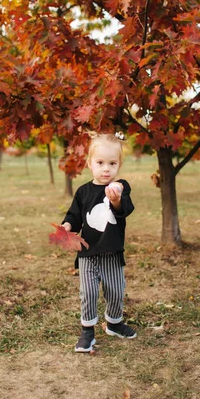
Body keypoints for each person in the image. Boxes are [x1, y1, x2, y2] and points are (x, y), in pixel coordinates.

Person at [61, 133, 137, 353]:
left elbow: (125, 209)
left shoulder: (120, 186)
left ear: (119, 165)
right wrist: (67, 226)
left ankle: (114, 323)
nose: (106, 169)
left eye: (112, 164)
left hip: (112, 252)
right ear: (89, 164)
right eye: (100, 163)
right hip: (88, 252)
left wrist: (115, 199)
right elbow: (74, 216)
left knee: (115, 290)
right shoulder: (83, 192)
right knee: (89, 293)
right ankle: (87, 332)